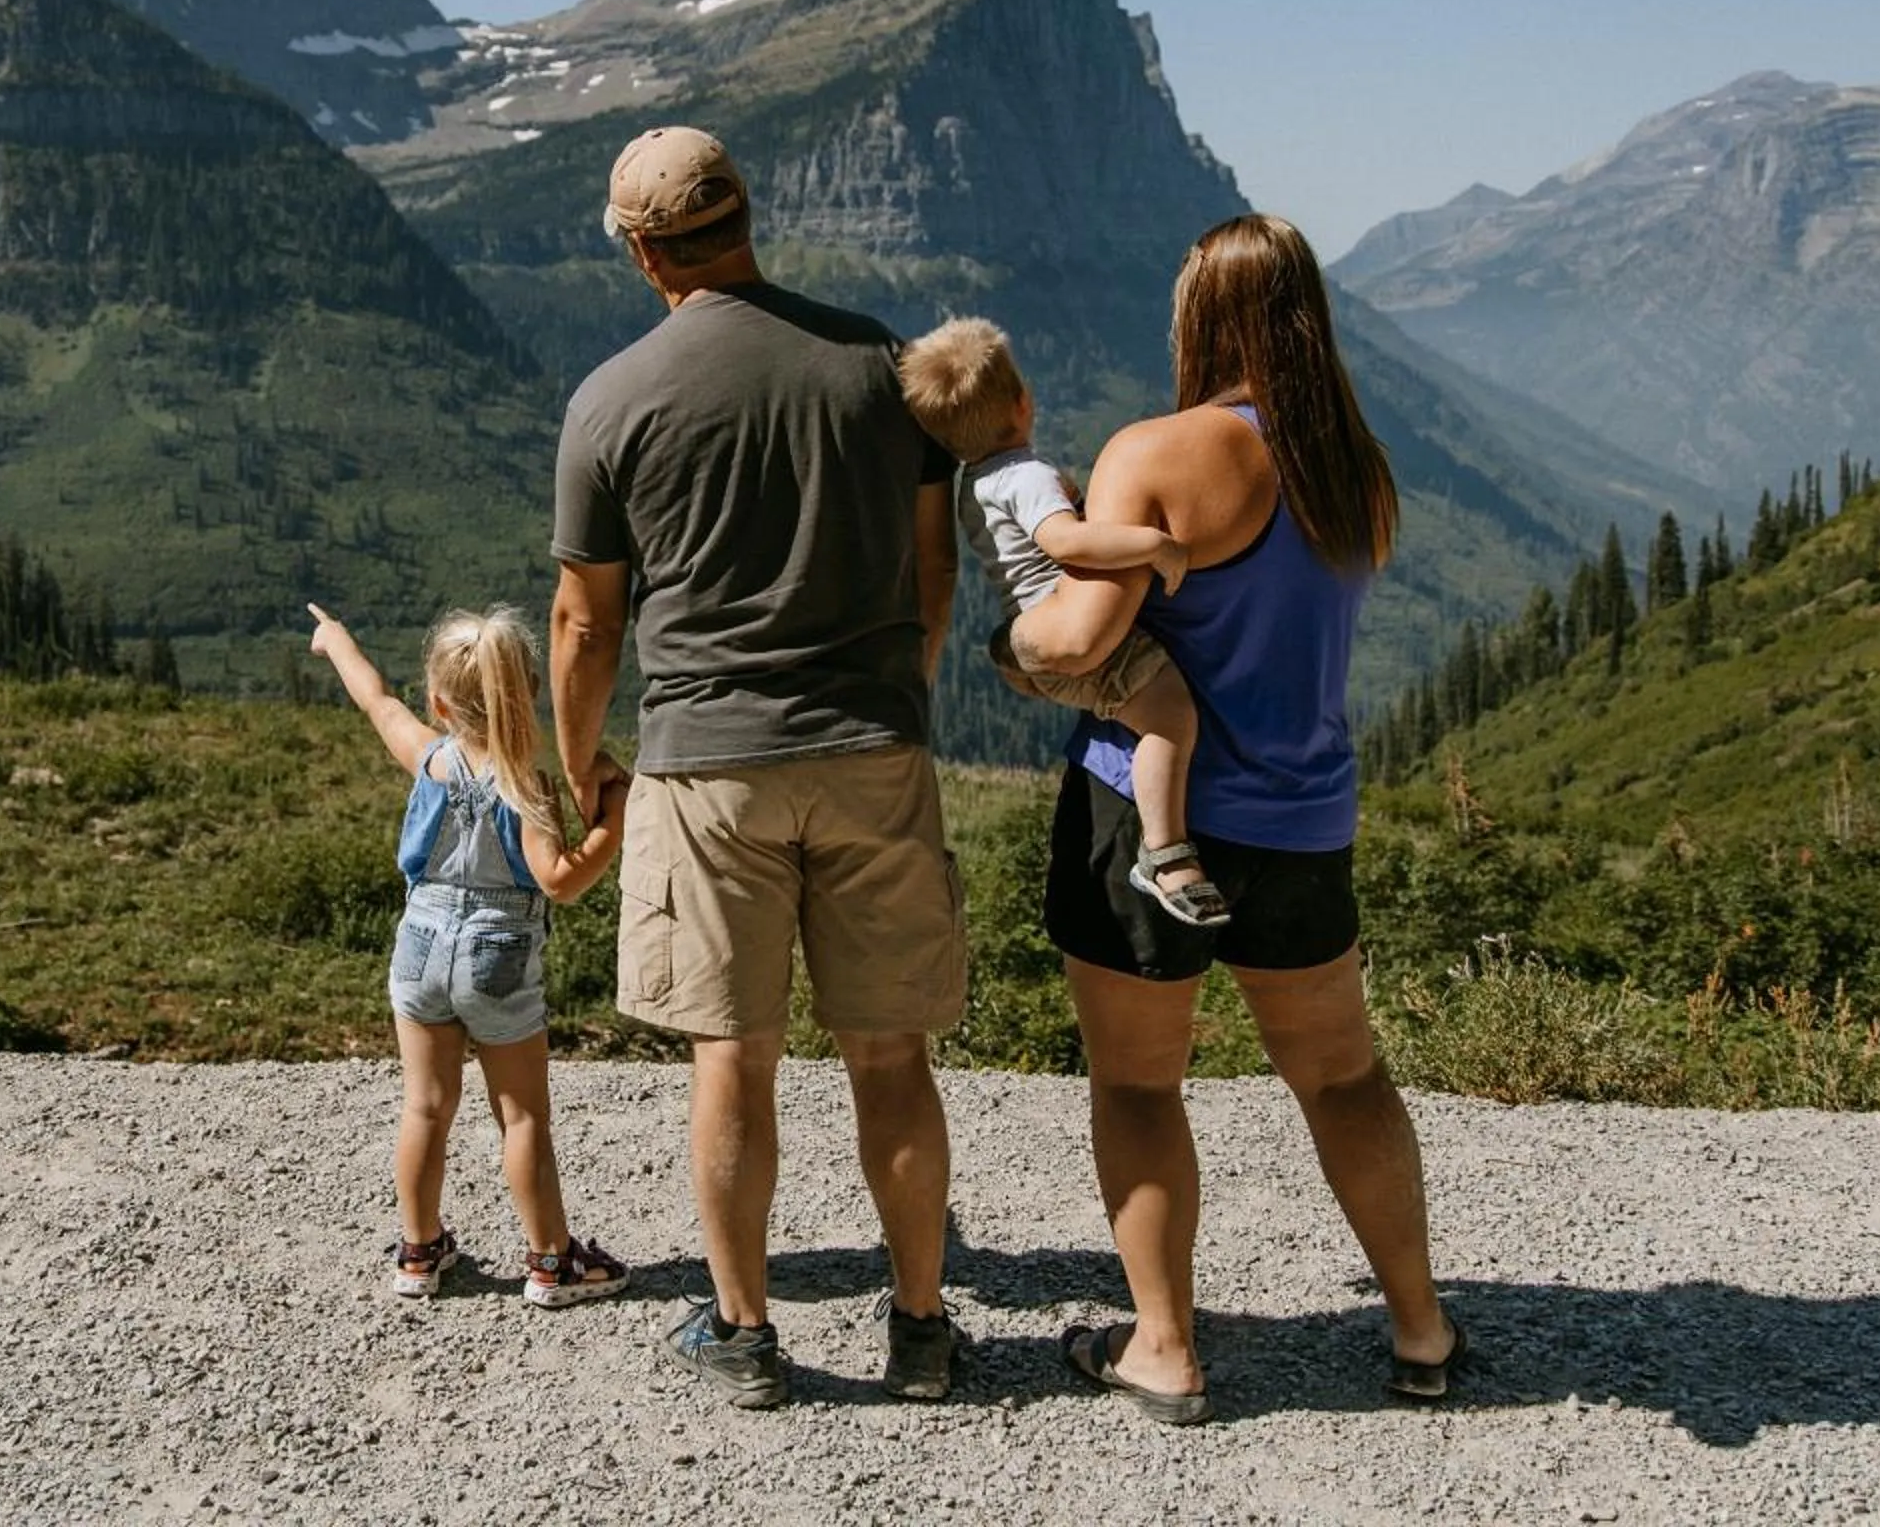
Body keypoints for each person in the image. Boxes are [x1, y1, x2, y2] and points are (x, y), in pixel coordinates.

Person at [1010, 214, 1460, 1425]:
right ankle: (1419, 1322)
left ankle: (1164, 1345)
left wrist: (1017, 625)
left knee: (1143, 1086)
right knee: (1345, 1074)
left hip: (1151, 826)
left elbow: (1076, 641)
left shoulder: (1154, 453)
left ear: (1199, 314)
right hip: (1305, 814)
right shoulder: (1352, 467)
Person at [549, 125, 964, 1410]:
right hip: (871, 746)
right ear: (744, 216)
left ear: (639, 247)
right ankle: (922, 1327)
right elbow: (930, 558)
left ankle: (745, 1332)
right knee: (892, 1058)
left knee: (735, 1058)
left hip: (704, 762)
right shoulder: (877, 362)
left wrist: (582, 765)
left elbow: (585, 622)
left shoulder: (613, 396)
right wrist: (902, 684)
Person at [306, 600, 633, 1311]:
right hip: (499, 957)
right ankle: (551, 1262)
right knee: (521, 1119)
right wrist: (615, 819)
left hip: (420, 946)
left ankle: (420, 1250)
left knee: (425, 1107)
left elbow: (376, 701)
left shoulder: (429, 756)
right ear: (530, 696)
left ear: (439, 702)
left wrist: (338, 641)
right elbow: (560, 880)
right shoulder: (529, 784)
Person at [897, 316, 1222, 927]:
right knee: (1170, 719)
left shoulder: (977, 483)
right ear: (1023, 401)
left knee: (1138, 712)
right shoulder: (1027, 476)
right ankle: (1165, 850)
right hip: (1083, 641)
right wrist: (1152, 544)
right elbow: (1065, 542)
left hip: (1034, 638)